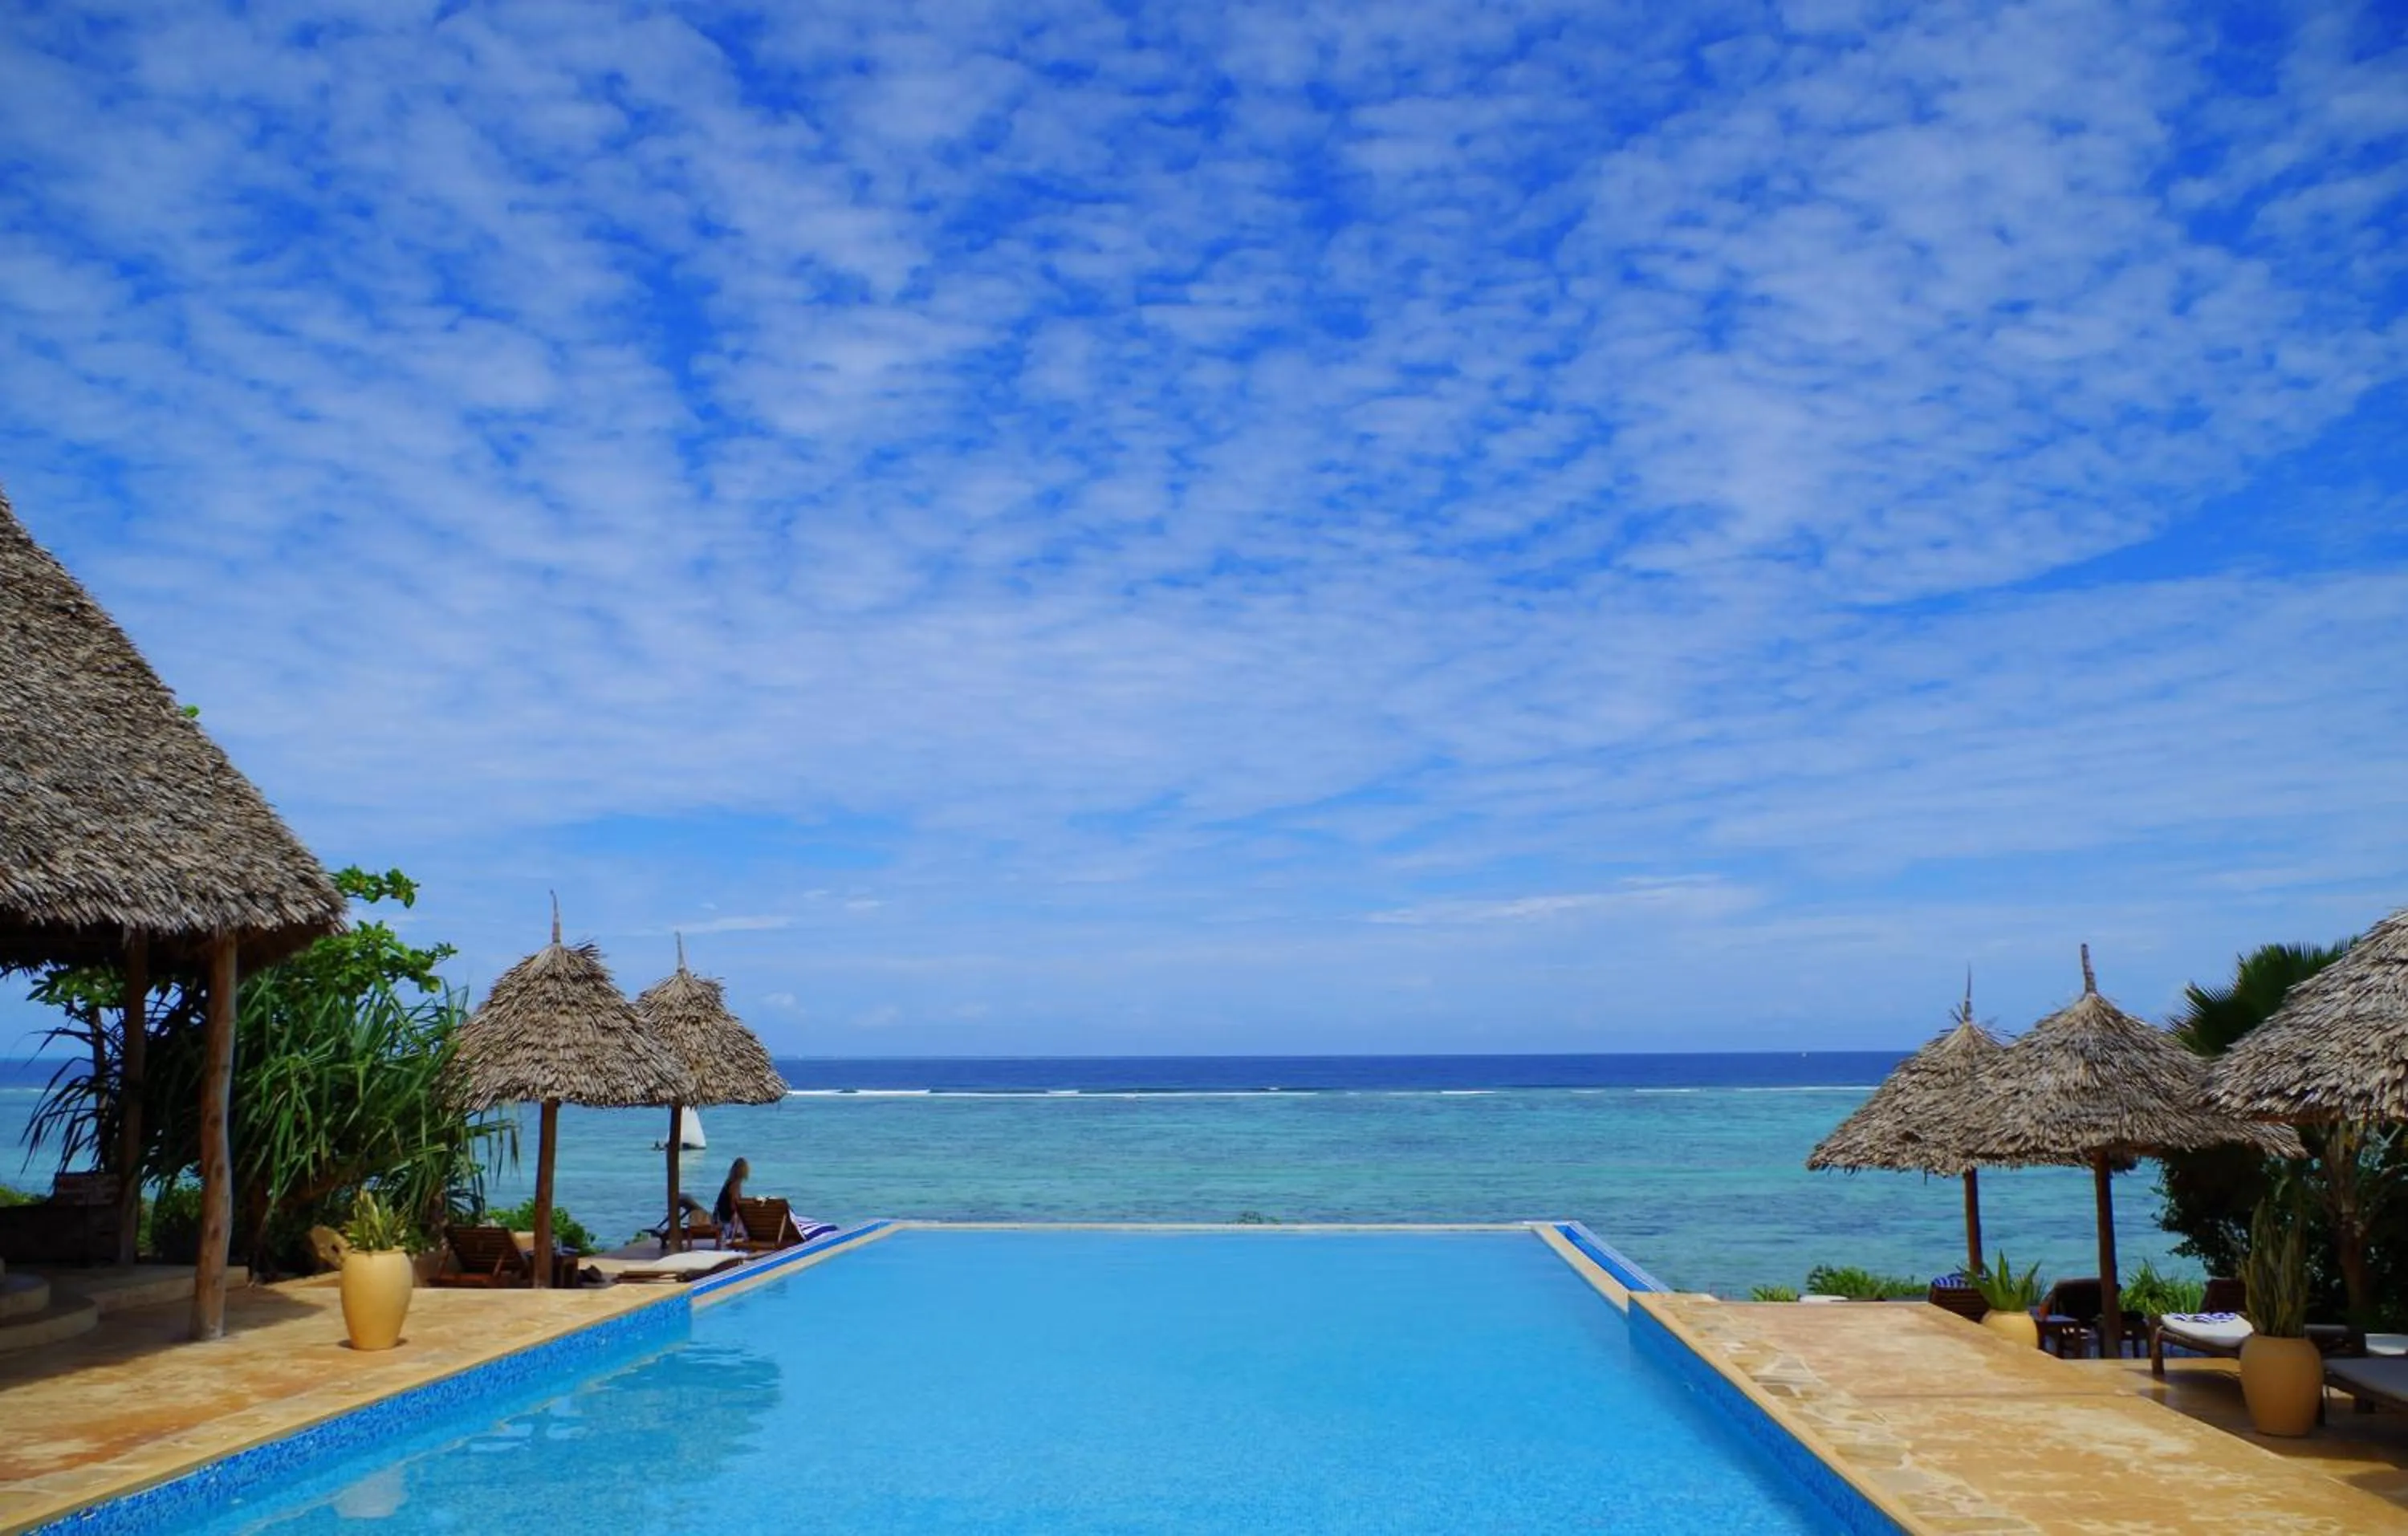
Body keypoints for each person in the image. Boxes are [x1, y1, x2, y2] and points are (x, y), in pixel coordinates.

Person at [713, 1156, 751, 1241]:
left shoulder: (729, 1182)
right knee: (749, 1224)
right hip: (727, 1217)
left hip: (721, 1215)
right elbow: (733, 1204)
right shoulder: (735, 1184)